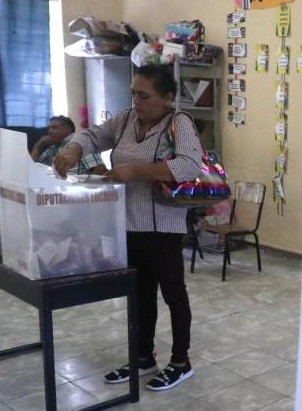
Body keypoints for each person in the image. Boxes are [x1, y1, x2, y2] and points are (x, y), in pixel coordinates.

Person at [54, 64, 203, 391]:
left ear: (167, 97)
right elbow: (92, 135)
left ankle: (181, 362)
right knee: (140, 295)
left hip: (163, 226)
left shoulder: (179, 122)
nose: (137, 101)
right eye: (134, 93)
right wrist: (73, 150)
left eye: (144, 96)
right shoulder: (125, 120)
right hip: (128, 225)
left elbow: (190, 165)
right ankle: (142, 356)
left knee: (173, 294)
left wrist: (135, 170)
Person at [30, 116, 105, 175]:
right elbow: (32, 170)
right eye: (49, 128)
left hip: (77, 187)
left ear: (68, 130)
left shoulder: (79, 142)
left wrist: (85, 187)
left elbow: (99, 168)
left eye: (54, 127)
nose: (49, 131)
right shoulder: (53, 147)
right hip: (58, 187)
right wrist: (38, 146)